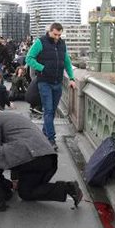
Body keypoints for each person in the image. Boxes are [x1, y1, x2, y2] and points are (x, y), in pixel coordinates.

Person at [0, 103, 83, 213]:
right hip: (46, 158)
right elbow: (11, 151)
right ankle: (68, 188)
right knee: (26, 192)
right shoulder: (13, 117)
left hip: (31, 155)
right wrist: (13, 180)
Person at [25, 22, 76, 151]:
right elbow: (29, 58)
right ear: (50, 31)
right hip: (44, 82)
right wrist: (42, 68)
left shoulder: (62, 44)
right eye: (55, 34)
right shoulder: (40, 42)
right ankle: (51, 139)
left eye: (59, 35)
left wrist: (71, 78)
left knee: (52, 111)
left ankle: (44, 133)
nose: (57, 37)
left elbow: (67, 62)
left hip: (57, 82)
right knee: (48, 110)